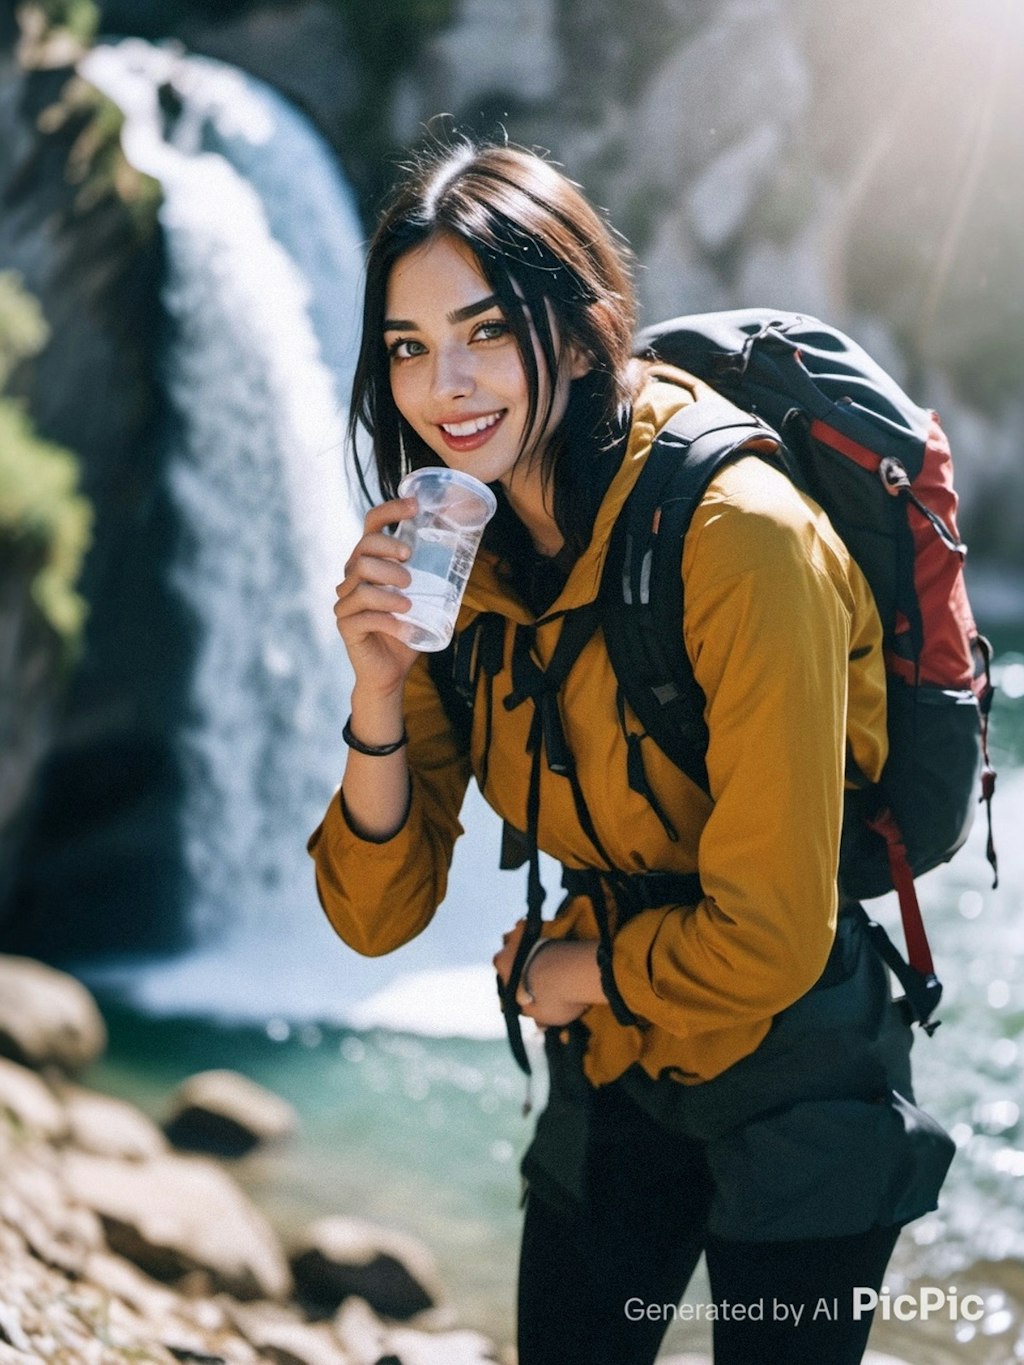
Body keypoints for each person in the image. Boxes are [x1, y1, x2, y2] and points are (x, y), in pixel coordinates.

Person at [308, 139, 952, 1365]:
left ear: (584, 325)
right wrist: (378, 689)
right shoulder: (463, 552)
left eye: (484, 331)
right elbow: (377, 919)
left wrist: (573, 975)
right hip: (615, 1062)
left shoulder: (740, 541)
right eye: (405, 345)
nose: (444, 386)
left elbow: (770, 934)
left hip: (798, 1076)